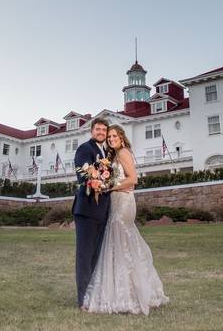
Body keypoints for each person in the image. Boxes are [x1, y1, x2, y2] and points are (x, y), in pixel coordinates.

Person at [80, 124, 169, 315]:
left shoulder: (123, 153)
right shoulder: (111, 156)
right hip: (115, 201)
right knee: (117, 244)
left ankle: (133, 293)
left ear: (121, 137)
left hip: (124, 202)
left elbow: (133, 180)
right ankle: (122, 291)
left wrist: (108, 187)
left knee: (122, 240)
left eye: (114, 136)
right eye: (109, 136)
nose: (111, 139)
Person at [72, 117, 112, 307]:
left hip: (103, 212)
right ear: (91, 131)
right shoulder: (85, 149)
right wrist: (97, 175)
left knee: (96, 255)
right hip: (87, 211)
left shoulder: (106, 152)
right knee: (85, 256)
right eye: (98, 129)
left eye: (104, 130)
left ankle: (92, 294)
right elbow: (84, 174)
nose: (101, 132)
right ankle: (82, 300)